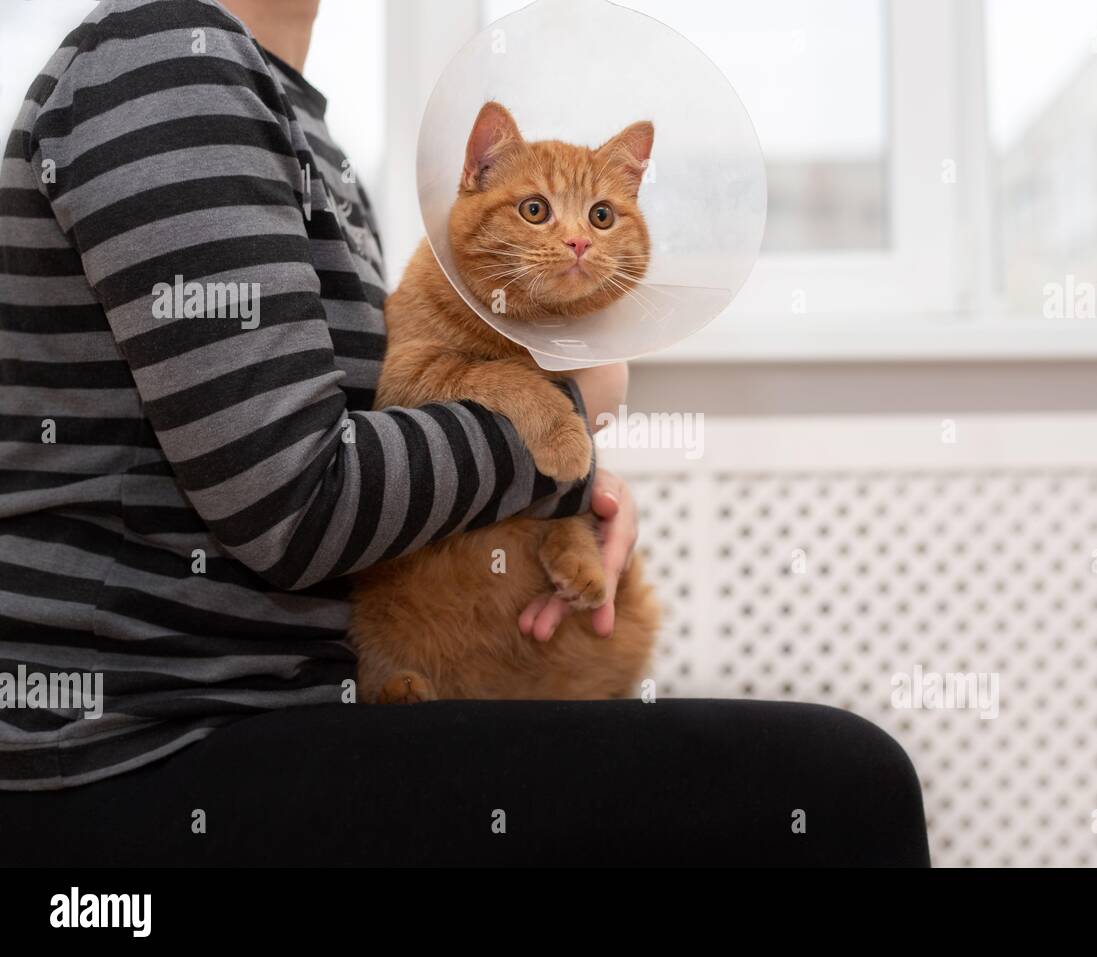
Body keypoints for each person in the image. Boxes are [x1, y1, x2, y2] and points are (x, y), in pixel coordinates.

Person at [0, 0, 929, 866]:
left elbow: (374, 437)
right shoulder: (168, 68)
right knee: (843, 784)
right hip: (145, 749)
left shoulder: (283, 110)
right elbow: (294, 505)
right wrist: (564, 421)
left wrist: (565, 494)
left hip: (283, 702)